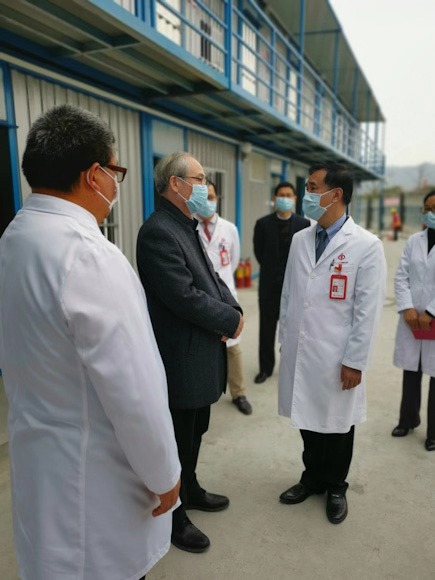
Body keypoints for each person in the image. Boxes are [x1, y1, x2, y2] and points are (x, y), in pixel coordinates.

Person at [0, 104, 181, 580]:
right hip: (95, 482)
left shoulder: (16, 238)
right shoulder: (89, 256)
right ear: (93, 175)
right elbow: (135, 390)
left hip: (40, 460)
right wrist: (164, 474)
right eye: (115, 172)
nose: (116, 186)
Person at [136, 153, 243, 554]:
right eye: (198, 179)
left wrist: (233, 309)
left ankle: (191, 487)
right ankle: (175, 516)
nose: (204, 186)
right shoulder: (158, 232)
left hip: (202, 351)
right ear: (175, 184)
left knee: (197, 430)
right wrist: (227, 319)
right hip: (182, 356)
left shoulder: (186, 225)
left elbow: (212, 277)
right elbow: (183, 295)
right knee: (179, 439)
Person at [277, 162, 386, 524]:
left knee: (338, 424)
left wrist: (355, 360)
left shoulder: (366, 246)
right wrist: (284, 338)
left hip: (337, 354)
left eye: (312, 187)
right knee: (307, 418)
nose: (306, 194)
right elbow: (289, 294)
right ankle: (311, 478)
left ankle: (336, 485)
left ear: (335, 194)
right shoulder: (300, 239)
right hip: (302, 347)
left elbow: (368, 311)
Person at [196, 180, 252, 415]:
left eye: (211, 197)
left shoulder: (229, 229)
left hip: (226, 296)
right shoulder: (190, 228)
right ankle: (204, 393)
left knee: (233, 347)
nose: (208, 201)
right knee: (204, 347)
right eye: (203, 197)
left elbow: (234, 260)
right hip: (202, 298)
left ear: (217, 199)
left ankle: (238, 393)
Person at [253, 182, 310, 384]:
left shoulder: (304, 225)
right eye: (281, 195)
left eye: (288, 195)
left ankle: (292, 366)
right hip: (269, 287)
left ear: (294, 199)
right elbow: (259, 252)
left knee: (293, 329)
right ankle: (265, 368)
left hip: (295, 286)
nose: (284, 198)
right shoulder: (262, 224)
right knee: (266, 330)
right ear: (275, 198)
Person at [391, 190, 435, 451]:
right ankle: (407, 420)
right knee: (411, 370)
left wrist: (430, 312)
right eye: (427, 208)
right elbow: (401, 276)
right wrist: (407, 308)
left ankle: (434, 433)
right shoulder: (413, 241)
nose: (430, 213)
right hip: (412, 320)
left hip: (432, 319)